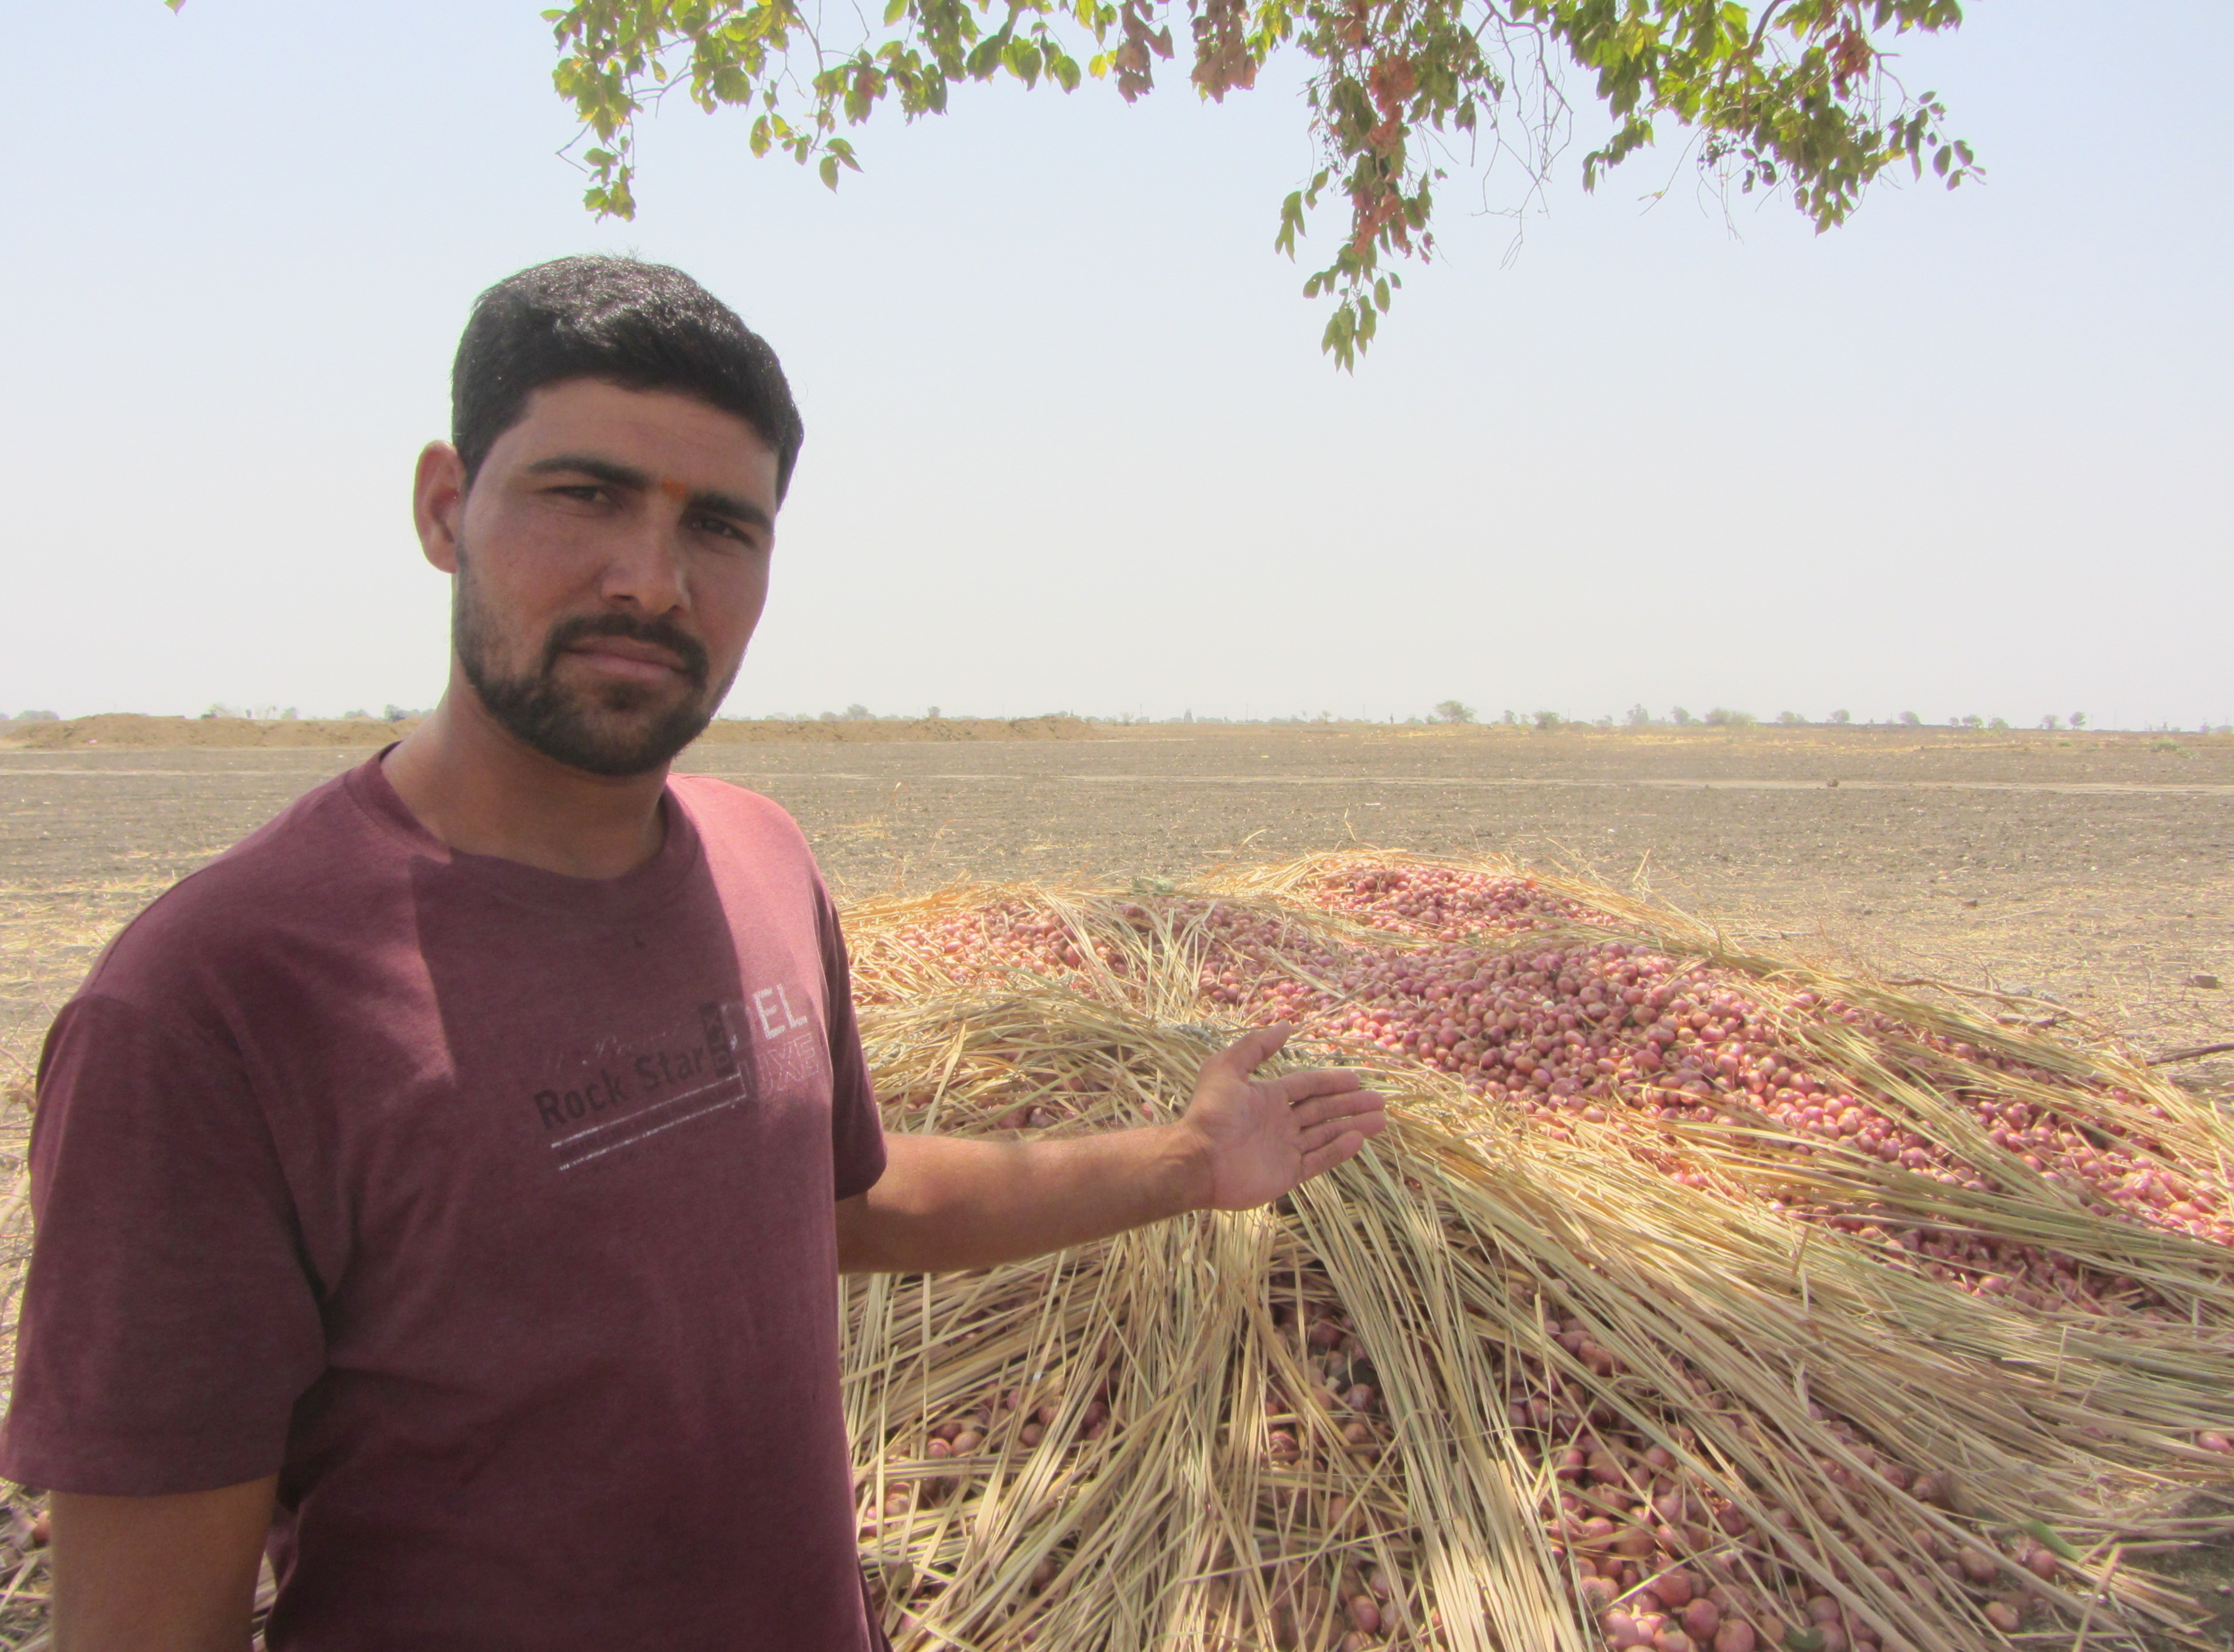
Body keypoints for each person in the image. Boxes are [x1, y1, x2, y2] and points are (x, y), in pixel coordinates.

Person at [1, 256, 1388, 1650]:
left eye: (720, 526)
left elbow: (845, 1200)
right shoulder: (212, 1008)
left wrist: (1191, 1164)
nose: (651, 583)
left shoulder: (761, 860)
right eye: (585, 494)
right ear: (444, 507)